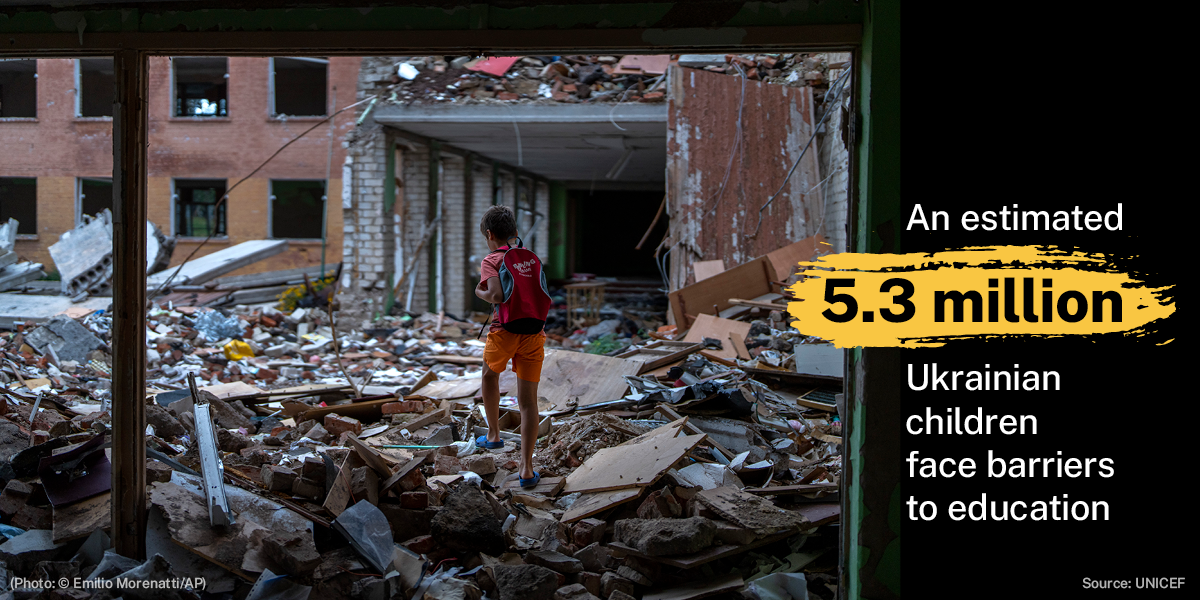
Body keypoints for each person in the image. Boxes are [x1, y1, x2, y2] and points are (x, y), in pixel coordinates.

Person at [474, 205, 547, 488]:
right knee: (528, 401)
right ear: (515, 234)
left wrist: (478, 290)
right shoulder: (530, 258)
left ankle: (493, 435)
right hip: (534, 332)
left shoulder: (492, 259)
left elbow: (495, 294)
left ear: (489, 234)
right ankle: (527, 470)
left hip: (504, 331)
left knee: (489, 376)